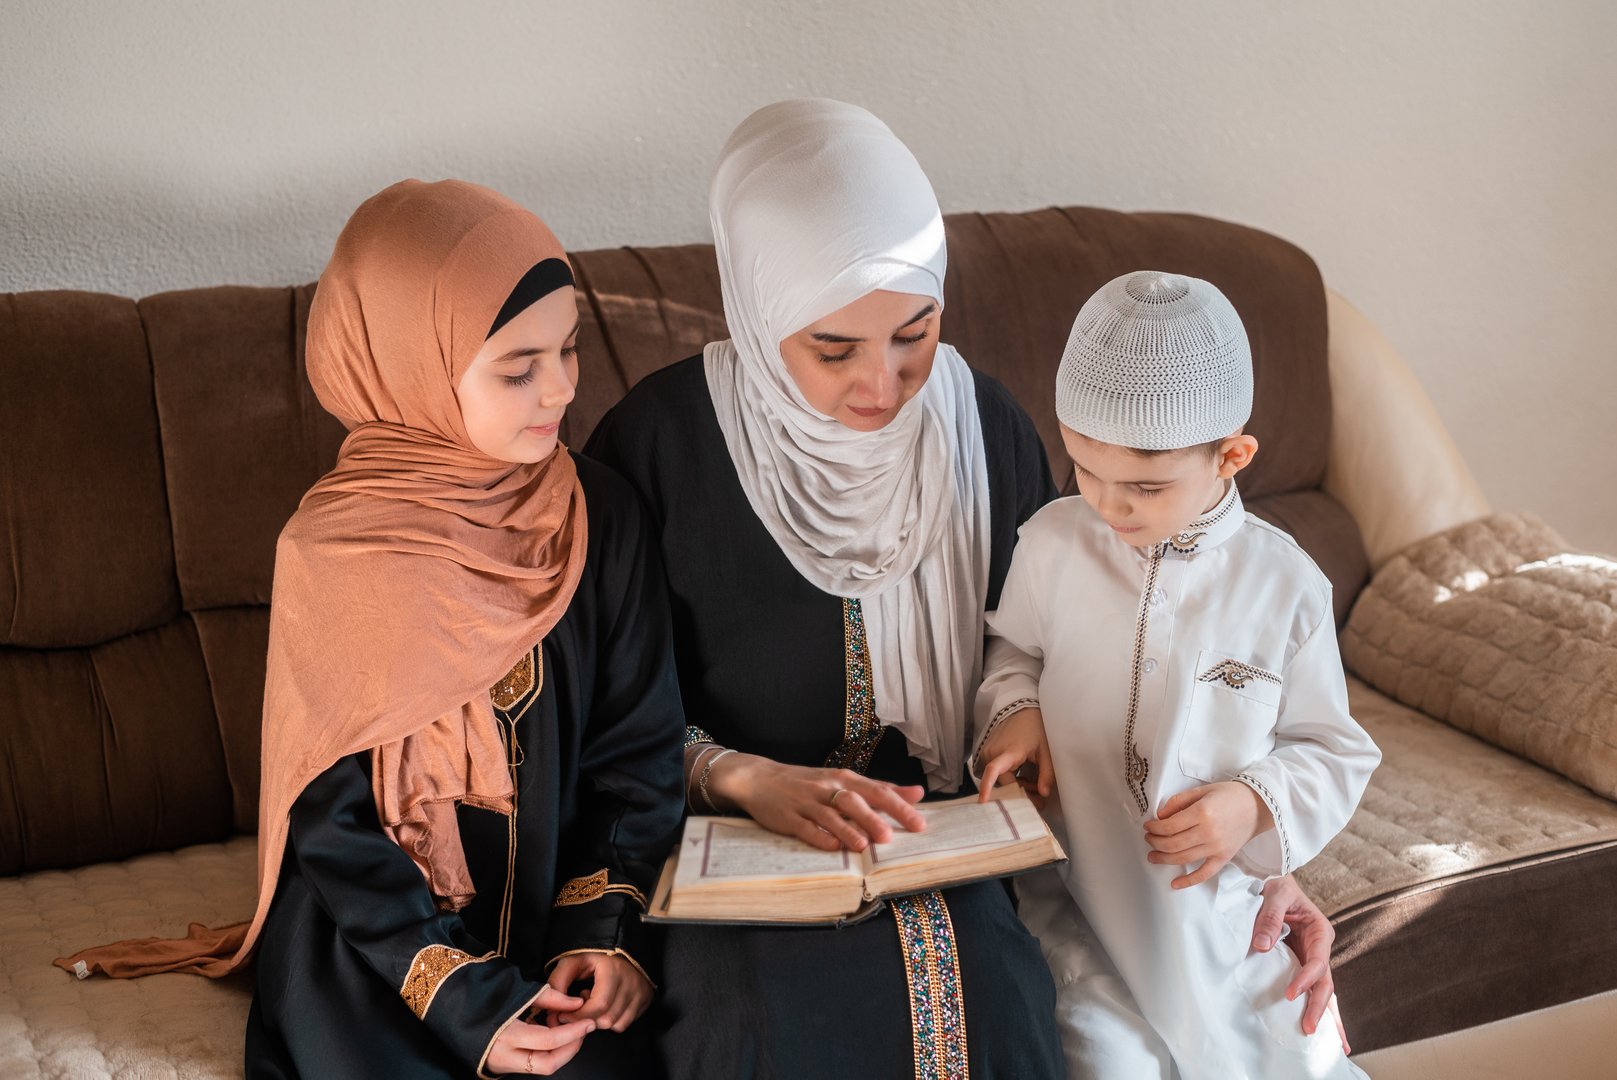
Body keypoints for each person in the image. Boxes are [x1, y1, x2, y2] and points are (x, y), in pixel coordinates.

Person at [587, 98, 1345, 1079]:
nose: (885, 383)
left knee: (998, 1003)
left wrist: (1260, 858)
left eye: (916, 331)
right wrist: (746, 777)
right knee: (755, 1026)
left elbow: (1101, 652)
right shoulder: (658, 448)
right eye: (834, 348)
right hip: (738, 845)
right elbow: (618, 709)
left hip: (947, 829)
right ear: (757, 305)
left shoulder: (980, 425)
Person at [57, 179, 685, 1078]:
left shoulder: (598, 515)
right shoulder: (340, 551)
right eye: (518, 367)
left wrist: (604, 930)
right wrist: (464, 996)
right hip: (379, 951)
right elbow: (328, 814)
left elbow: (638, 748)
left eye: (570, 349)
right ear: (410, 369)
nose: (561, 389)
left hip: (558, 923)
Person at [973, 270, 1381, 1079]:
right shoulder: (1052, 542)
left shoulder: (1284, 584)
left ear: (1231, 456)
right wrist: (1015, 709)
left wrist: (1252, 801)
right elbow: (1012, 653)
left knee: (1293, 1054)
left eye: (1144, 486)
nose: (1108, 506)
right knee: (1110, 1061)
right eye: (1086, 469)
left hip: (1208, 910)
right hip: (1070, 897)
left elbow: (1332, 750)